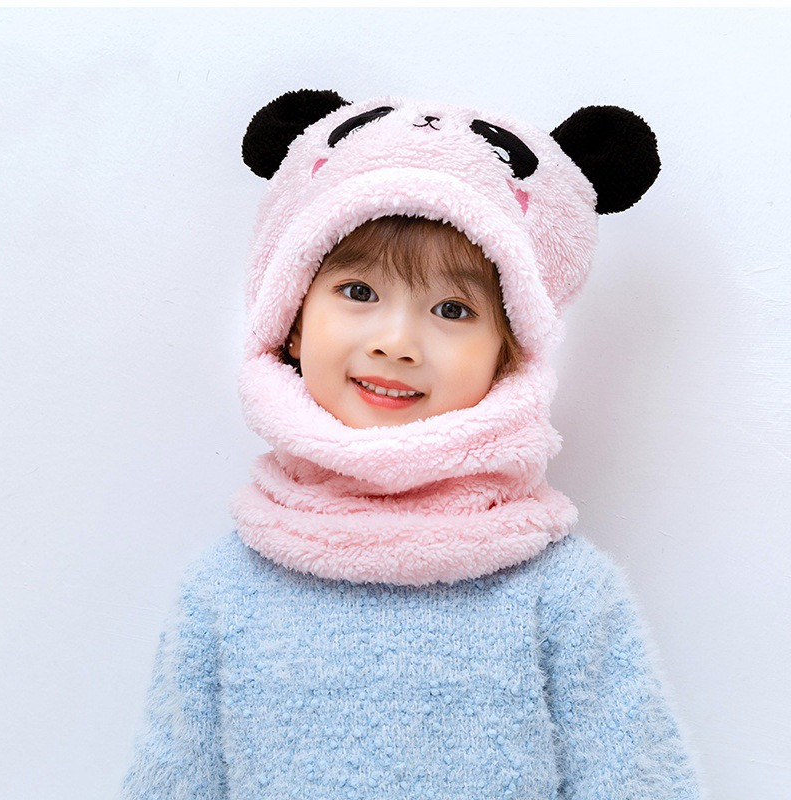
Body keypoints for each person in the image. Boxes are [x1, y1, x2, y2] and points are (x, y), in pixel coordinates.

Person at [120, 89, 706, 799]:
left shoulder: (561, 593)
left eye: (453, 309)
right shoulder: (223, 591)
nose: (396, 343)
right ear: (292, 318)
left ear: (508, 353)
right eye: (358, 292)